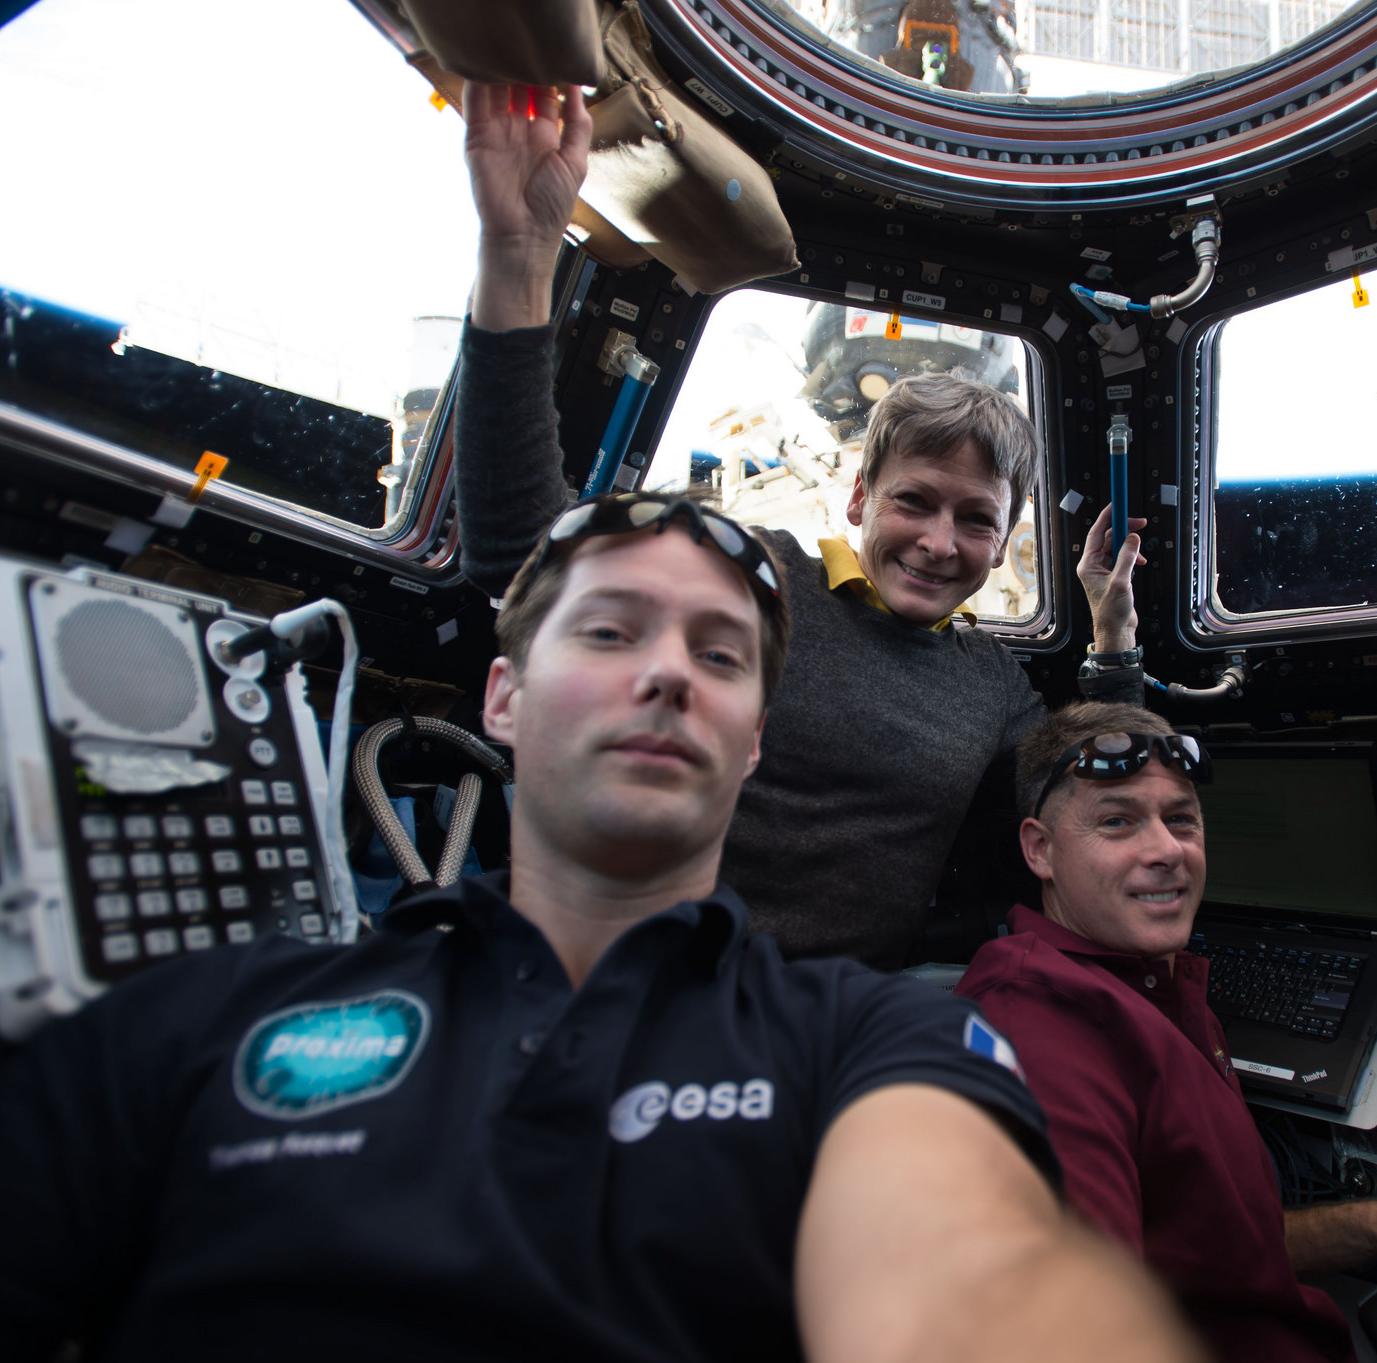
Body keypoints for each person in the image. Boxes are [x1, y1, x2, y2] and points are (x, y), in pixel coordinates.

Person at [0, 497, 1201, 1363]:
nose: (663, 672)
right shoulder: (207, 1020)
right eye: (609, 631)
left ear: (753, 739)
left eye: (717, 653)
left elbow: (973, 1275)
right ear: (504, 696)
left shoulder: (876, 1042)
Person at [455, 81, 1146, 968]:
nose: (939, 541)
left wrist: (1114, 637)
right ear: (860, 499)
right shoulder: (755, 580)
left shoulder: (993, 685)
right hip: (627, 969)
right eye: (913, 501)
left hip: (826, 1021)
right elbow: (524, 556)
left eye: (976, 519)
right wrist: (516, 254)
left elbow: (1094, 788)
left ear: (1007, 539)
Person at [957, 700, 1377, 1363]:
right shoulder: (1037, 1026)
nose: (1167, 850)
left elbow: (1225, 1244)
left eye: (1181, 819)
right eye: (1117, 821)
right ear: (1040, 849)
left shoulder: (1157, 983)